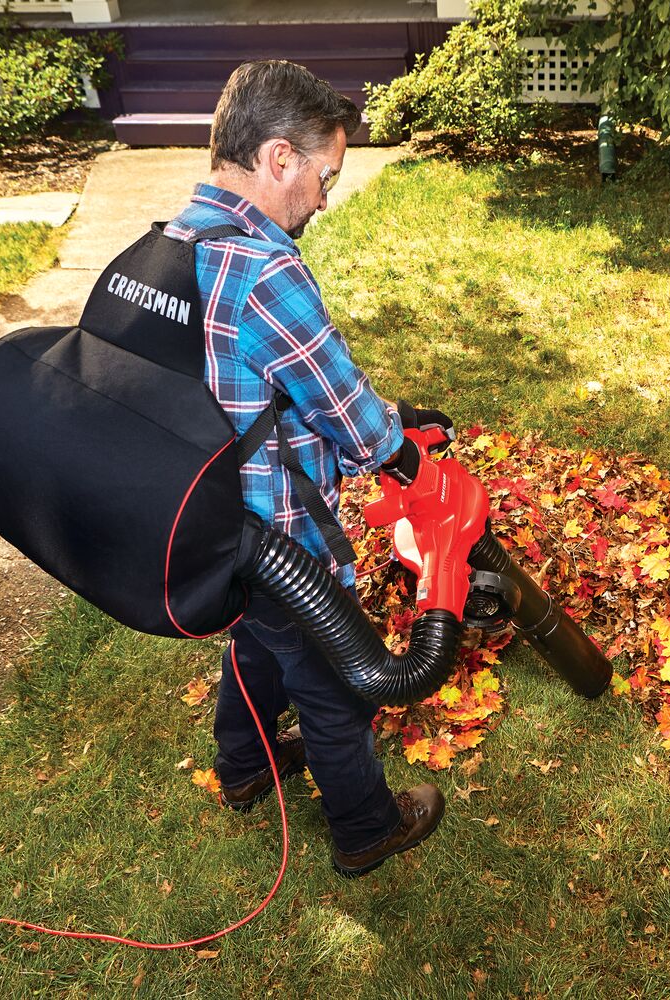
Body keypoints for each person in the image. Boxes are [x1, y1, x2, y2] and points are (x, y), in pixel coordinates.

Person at [163, 60, 446, 878]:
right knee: (336, 684)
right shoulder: (265, 269)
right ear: (279, 160)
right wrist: (402, 438)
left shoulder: (177, 236)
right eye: (326, 175)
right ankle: (366, 827)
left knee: (256, 644)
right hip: (280, 531)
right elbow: (355, 427)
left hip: (213, 523)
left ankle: (246, 766)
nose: (325, 198)